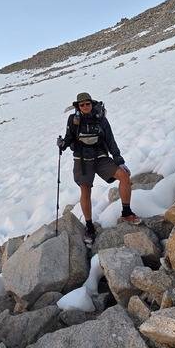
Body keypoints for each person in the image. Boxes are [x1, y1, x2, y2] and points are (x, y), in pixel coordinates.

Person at [58, 92, 141, 243]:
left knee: (123, 175)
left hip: (101, 157)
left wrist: (118, 159)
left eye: (87, 104)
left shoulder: (100, 117)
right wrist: (62, 144)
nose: (85, 107)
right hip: (82, 160)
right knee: (85, 188)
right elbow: (69, 138)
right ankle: (89, 227)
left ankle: (127, 212)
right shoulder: (73, 120)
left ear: (92, 103)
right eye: (82, 105)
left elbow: (110, 139)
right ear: (78, 106)